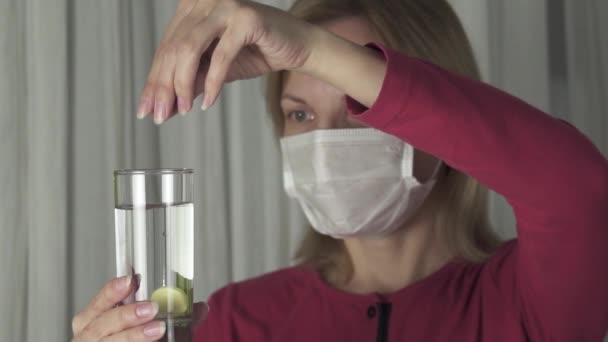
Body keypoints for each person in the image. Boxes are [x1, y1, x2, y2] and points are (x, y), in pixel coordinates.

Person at [71, 0, 608, 341]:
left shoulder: (529, 303)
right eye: (299, 113)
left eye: (360, 105)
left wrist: (307, 47)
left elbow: (576, 187)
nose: (326, 142)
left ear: (440, 114)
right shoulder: (237, 321)